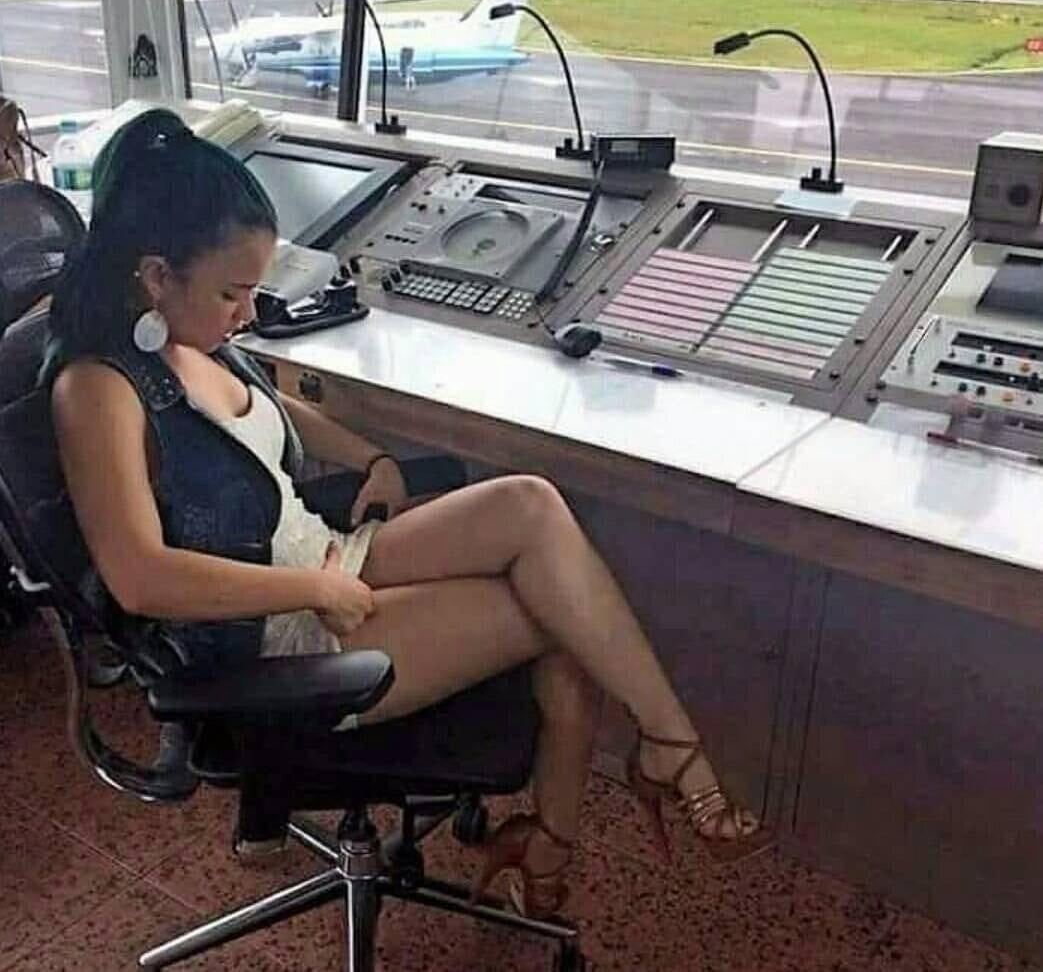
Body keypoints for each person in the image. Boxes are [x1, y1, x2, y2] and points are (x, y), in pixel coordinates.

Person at [44, 108, 761, 922]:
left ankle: (654, 758)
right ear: (155, 276)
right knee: (561, 615)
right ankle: (578, 831)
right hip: (273, 640)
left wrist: (371, 457)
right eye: (232, 293)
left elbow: (261, 404)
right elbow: (140, 578)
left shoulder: (185, 335)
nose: (246, 311)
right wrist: (312, 593)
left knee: (529, 505)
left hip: (321, 559)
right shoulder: (96, 390)